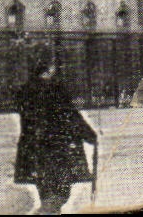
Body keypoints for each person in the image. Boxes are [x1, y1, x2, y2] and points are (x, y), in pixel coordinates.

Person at [13, 62, 98, 215]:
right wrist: (89, 135)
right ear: (45, 72)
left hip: (35, 148)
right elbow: (71, 116)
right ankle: (47, 212)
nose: (54, 72)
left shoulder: (25, 92)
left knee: (46, 188)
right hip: (58, 147)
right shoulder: (55, 91)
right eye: (51, 70)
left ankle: (47, 209)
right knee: (61, 190)